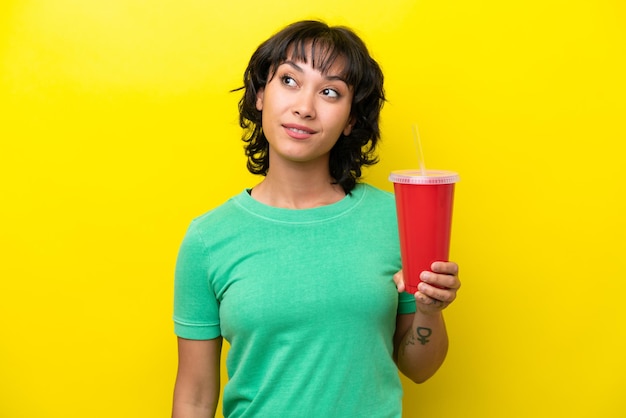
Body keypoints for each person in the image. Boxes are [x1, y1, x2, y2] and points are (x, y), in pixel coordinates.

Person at [172, 20, 461, 418]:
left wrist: (430, 310)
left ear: (350, 120)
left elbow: (419, 369)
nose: (304, 107)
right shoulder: (208, 239)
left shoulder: (395, 218)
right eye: (289, 81)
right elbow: (194, 397)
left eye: (329, 91)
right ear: (260, 95)